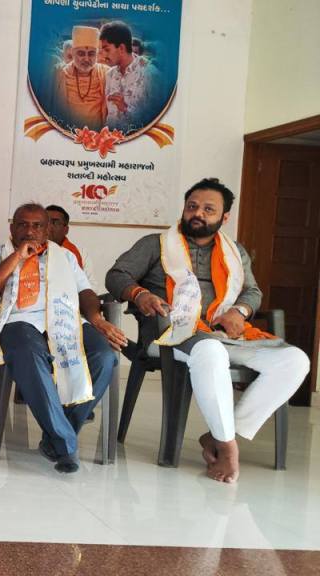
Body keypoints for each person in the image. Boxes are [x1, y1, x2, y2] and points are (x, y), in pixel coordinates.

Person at [105, 178, 310, 483]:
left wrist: (240, 311)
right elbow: (116, 275)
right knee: (210, 351)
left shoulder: (235, 252)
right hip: (170, 333)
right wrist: (139, 294)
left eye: (208, 209)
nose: (197, 213)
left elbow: (252, 292)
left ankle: (221, 435)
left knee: (295, 360)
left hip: (225, 335)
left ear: (224, 217)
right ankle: (227, 447)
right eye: (192, 206)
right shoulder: (155, 245)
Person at [0, 203, 124, 473]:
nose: (29, 231)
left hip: (66, 320)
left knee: (105, 356)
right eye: (22, 224)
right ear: (12, 228)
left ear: (47, 230)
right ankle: (65, 443)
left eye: (37, 226)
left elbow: (86, 293)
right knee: (29, 354)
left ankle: (57, 438)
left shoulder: (65, 257)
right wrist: (16, 257)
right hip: (18, 320)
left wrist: (97, 320)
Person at [99, 21, 158, 131]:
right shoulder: (110, 75)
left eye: (107, 49)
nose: (103, 54)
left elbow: (157, 121)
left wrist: (125, 109)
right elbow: (108, 115)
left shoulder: (150, 74)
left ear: (121, 48)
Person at [52, 26, 108, 130]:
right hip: (67, 133)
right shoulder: (61, 74)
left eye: (91, 54)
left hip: (98, 135)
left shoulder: (106, 73)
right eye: (81, 53)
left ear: (97, 55)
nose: (86, 59)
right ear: (73, 53)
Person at [45, 204, 85, 268]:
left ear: (66, 230)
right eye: (46, 222)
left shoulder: (73, 254)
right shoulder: (31, 248)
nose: (49, 226)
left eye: (55, 223)